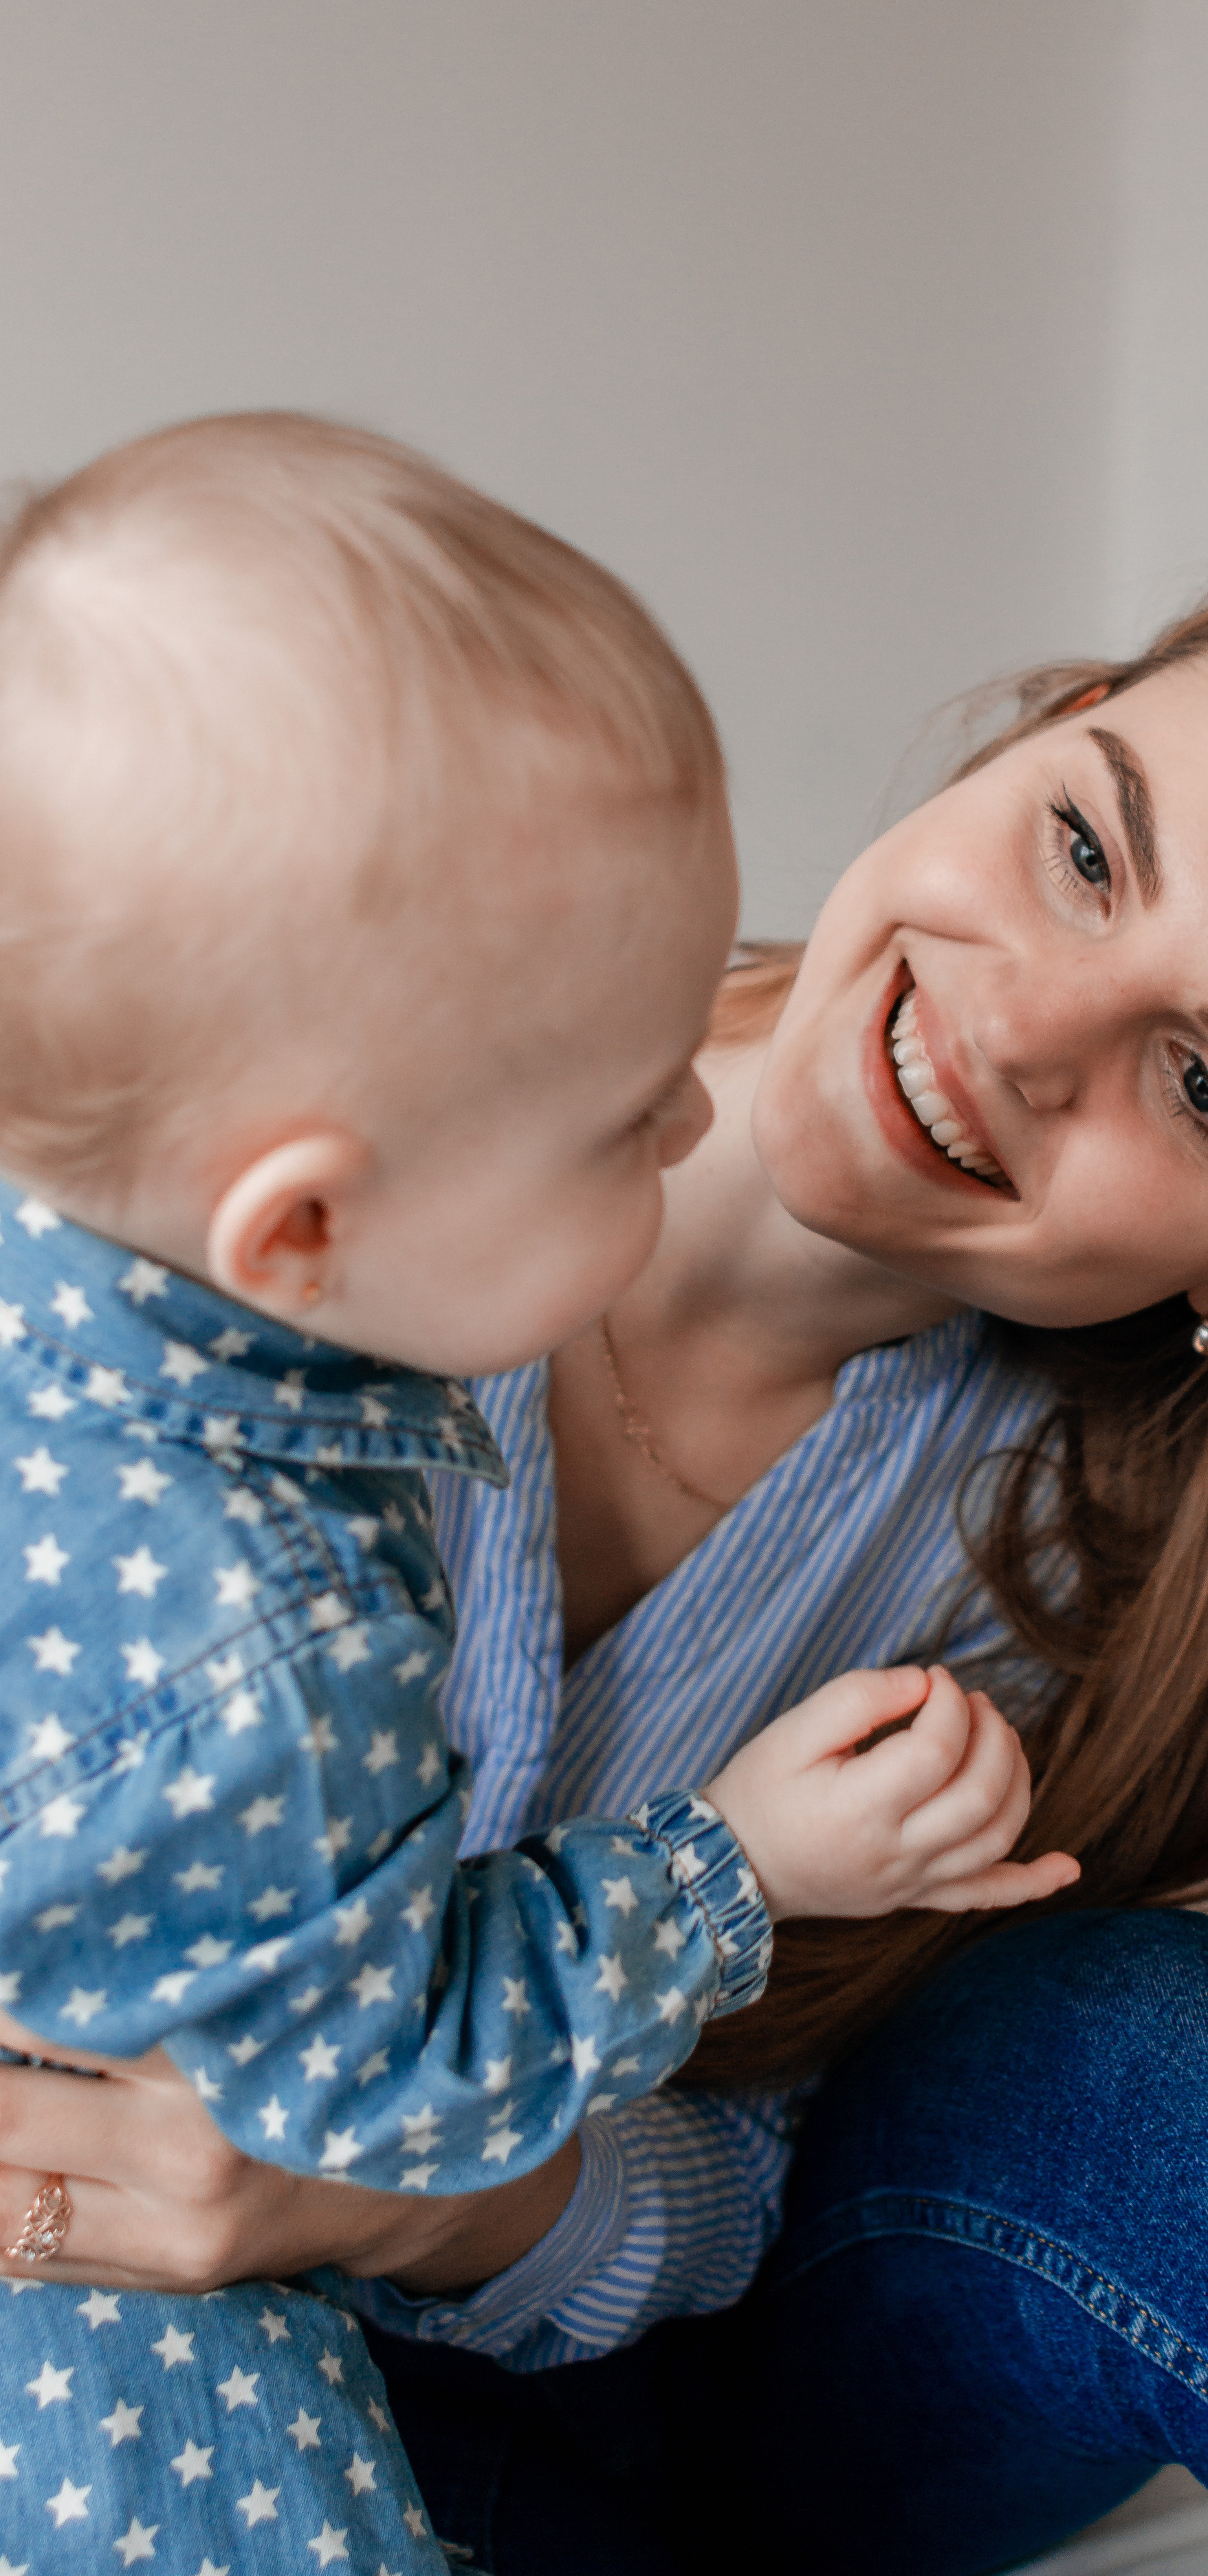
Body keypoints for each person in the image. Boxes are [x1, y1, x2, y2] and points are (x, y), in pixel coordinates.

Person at [3, 566, 1208, 2575]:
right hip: (111, 2351)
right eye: (1087, 847)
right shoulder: (319, 1030)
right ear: (1042, 720)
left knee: (1146, 2051)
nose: (1023, 1028)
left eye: (1202, 1092)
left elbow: (753, 2158)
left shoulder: (1099, 1567)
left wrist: (380, 2191)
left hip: (645, 2411)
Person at [0, 414, 1072, 2570]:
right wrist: (734, 1861)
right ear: (305, 1233)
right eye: (617, 1119)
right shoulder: (267, 1653)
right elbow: (382, 2091)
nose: (702, 1111)